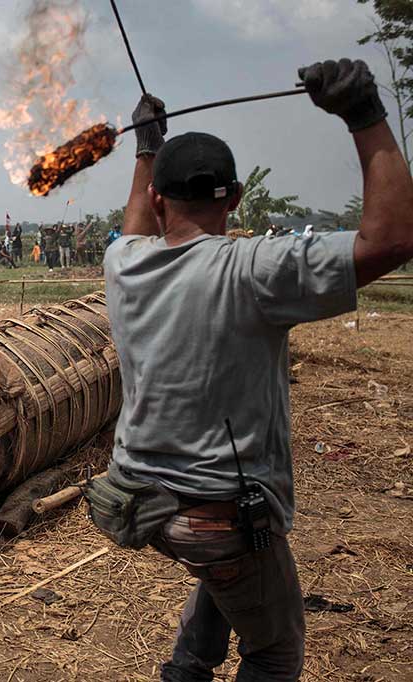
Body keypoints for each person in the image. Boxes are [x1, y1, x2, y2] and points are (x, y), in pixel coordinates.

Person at [94, 59, 413, 681]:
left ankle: (186, 668)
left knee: (226, 585)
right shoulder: (256, 270)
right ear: (237, 199)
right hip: (217, 514)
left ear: (159, 198)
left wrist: (146, 149)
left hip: (142, 500)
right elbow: (393, 239)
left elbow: (135, 223)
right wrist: (365, 116)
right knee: (274, 650)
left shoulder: (124, 265)